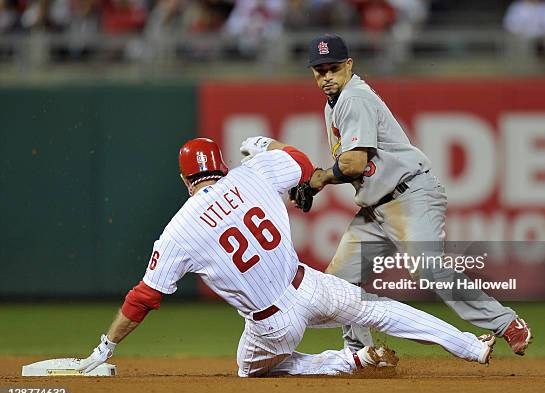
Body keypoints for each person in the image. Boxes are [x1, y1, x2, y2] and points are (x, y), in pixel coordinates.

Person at [77, 137, 496, 377]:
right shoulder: (254, 172)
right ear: (221, 165)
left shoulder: (179, 231)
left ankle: (348, 361)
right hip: (309, 285)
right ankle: (469, 347)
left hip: (272, 324)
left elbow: (143, 298)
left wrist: (106, 346)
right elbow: (301, 162)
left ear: (186, 178)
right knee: (380, 309)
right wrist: (264, 146)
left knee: (249, 370)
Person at [301, 34, 533, 356]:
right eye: (320, 70)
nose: (327, 76)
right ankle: (361, 354)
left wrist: (320, 179)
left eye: (333, 68)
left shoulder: (353, 98)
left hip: (409, 195)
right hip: (376, 208)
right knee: (339, 284)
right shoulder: (335, 104)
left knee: (428, 268)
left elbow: (354, 163)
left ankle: (506, 322)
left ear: (349, 65)